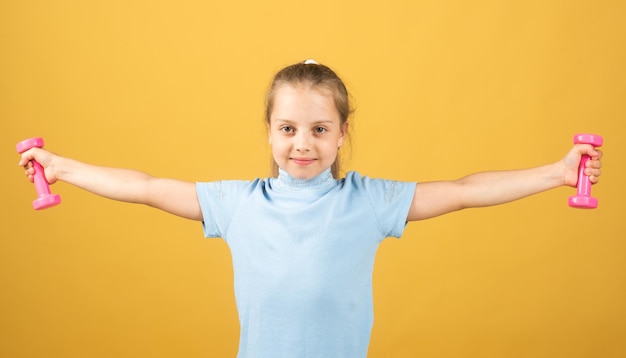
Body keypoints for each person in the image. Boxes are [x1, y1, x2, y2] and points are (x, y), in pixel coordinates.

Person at [18, 60, 603, 358]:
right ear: (270, 131)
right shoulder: (235, 203)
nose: (303, 142)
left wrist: (556, 172)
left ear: (343, 133)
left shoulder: (371, 200)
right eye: (289, 128)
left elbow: (466, 189)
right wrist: (63, 167)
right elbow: (144, 186)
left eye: (319, 129)